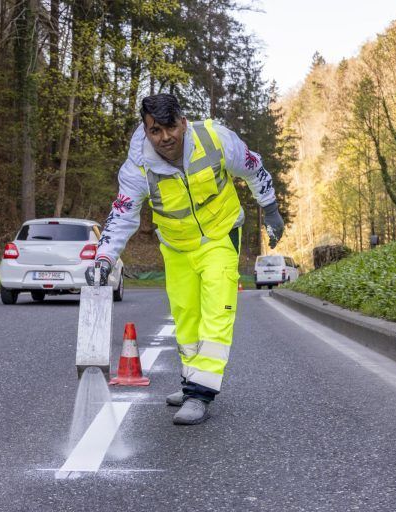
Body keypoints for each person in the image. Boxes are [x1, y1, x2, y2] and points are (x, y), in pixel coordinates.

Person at [89, 93, 284, 425]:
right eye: (155, 131)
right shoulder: (137, 166)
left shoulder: (215, 139)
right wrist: (103, 257)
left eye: (170, 128)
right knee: (186, 317)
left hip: (220, 235)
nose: (164, 138)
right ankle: (191, 380)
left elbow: (253, 166)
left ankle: (201, 394)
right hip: (177, 245)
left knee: (217, 311)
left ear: (182, 121)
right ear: (145, 130)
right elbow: (122, 214)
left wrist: (270, 208)